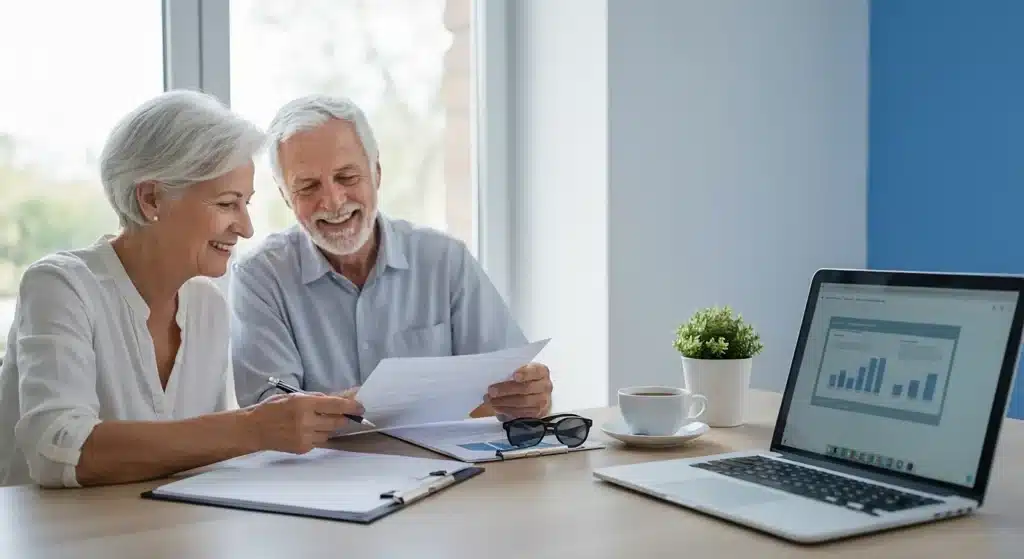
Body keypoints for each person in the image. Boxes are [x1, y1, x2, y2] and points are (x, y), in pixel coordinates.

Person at [0, 90, 363, 488]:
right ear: (151, 198)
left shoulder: (208, 306)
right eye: (226, 204)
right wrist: (252, 427)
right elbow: (57, 450)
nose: (246, 228)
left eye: (246, 203)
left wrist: (300, 422)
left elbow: (203, 461)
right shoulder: (61, 286)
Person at [230, 94, 553, 420]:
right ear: (286, 196)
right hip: (323, 456)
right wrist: (399, 400)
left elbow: (511, 389)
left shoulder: (445, 260)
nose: (333, 201)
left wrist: (529, 398)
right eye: (308, 186)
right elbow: (272, 421)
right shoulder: (260, 277)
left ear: (377, 174)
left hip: (444, 453)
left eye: (347, 177)